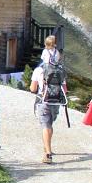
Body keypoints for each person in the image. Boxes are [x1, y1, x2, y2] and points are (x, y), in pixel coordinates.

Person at [28, 35, 68, 163]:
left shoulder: (39, 70)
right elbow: (65, 89)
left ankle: (48, 154)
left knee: (46, 125)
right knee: (50, 124)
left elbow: (33, 88)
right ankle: (47, 146)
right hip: (56, 101)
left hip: (43, 100)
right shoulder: (60, 71)